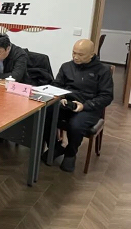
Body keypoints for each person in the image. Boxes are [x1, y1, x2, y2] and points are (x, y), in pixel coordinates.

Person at [42, 39, 114, 172]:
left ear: (91, 54)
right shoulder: (66, 67)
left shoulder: (103, 71)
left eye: (80, 54)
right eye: (74, 53)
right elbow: (56, 85)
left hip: (88, 108)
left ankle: (70, 153)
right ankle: (56, 146)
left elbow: (107, 96)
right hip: (67, 104)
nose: (75, 57)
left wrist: (85, 106)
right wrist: (60, 97)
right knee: (45, 113)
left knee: (76, 125)